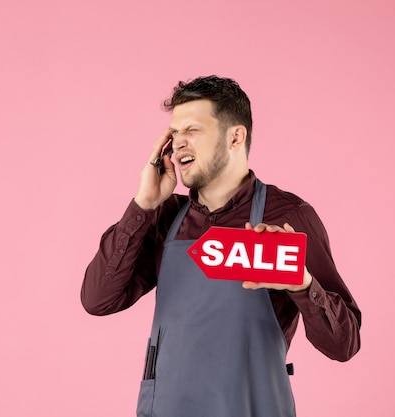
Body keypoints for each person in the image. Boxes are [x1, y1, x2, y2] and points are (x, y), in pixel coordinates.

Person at [81, 76, 361, 417]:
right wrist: (143, 205)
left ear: (235, 136)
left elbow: (344, 345)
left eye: (193, 130)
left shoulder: (288, 217)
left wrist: (302, 284)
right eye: (175, 133)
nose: (178, 143)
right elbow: (98, 300)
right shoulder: (166, 219)